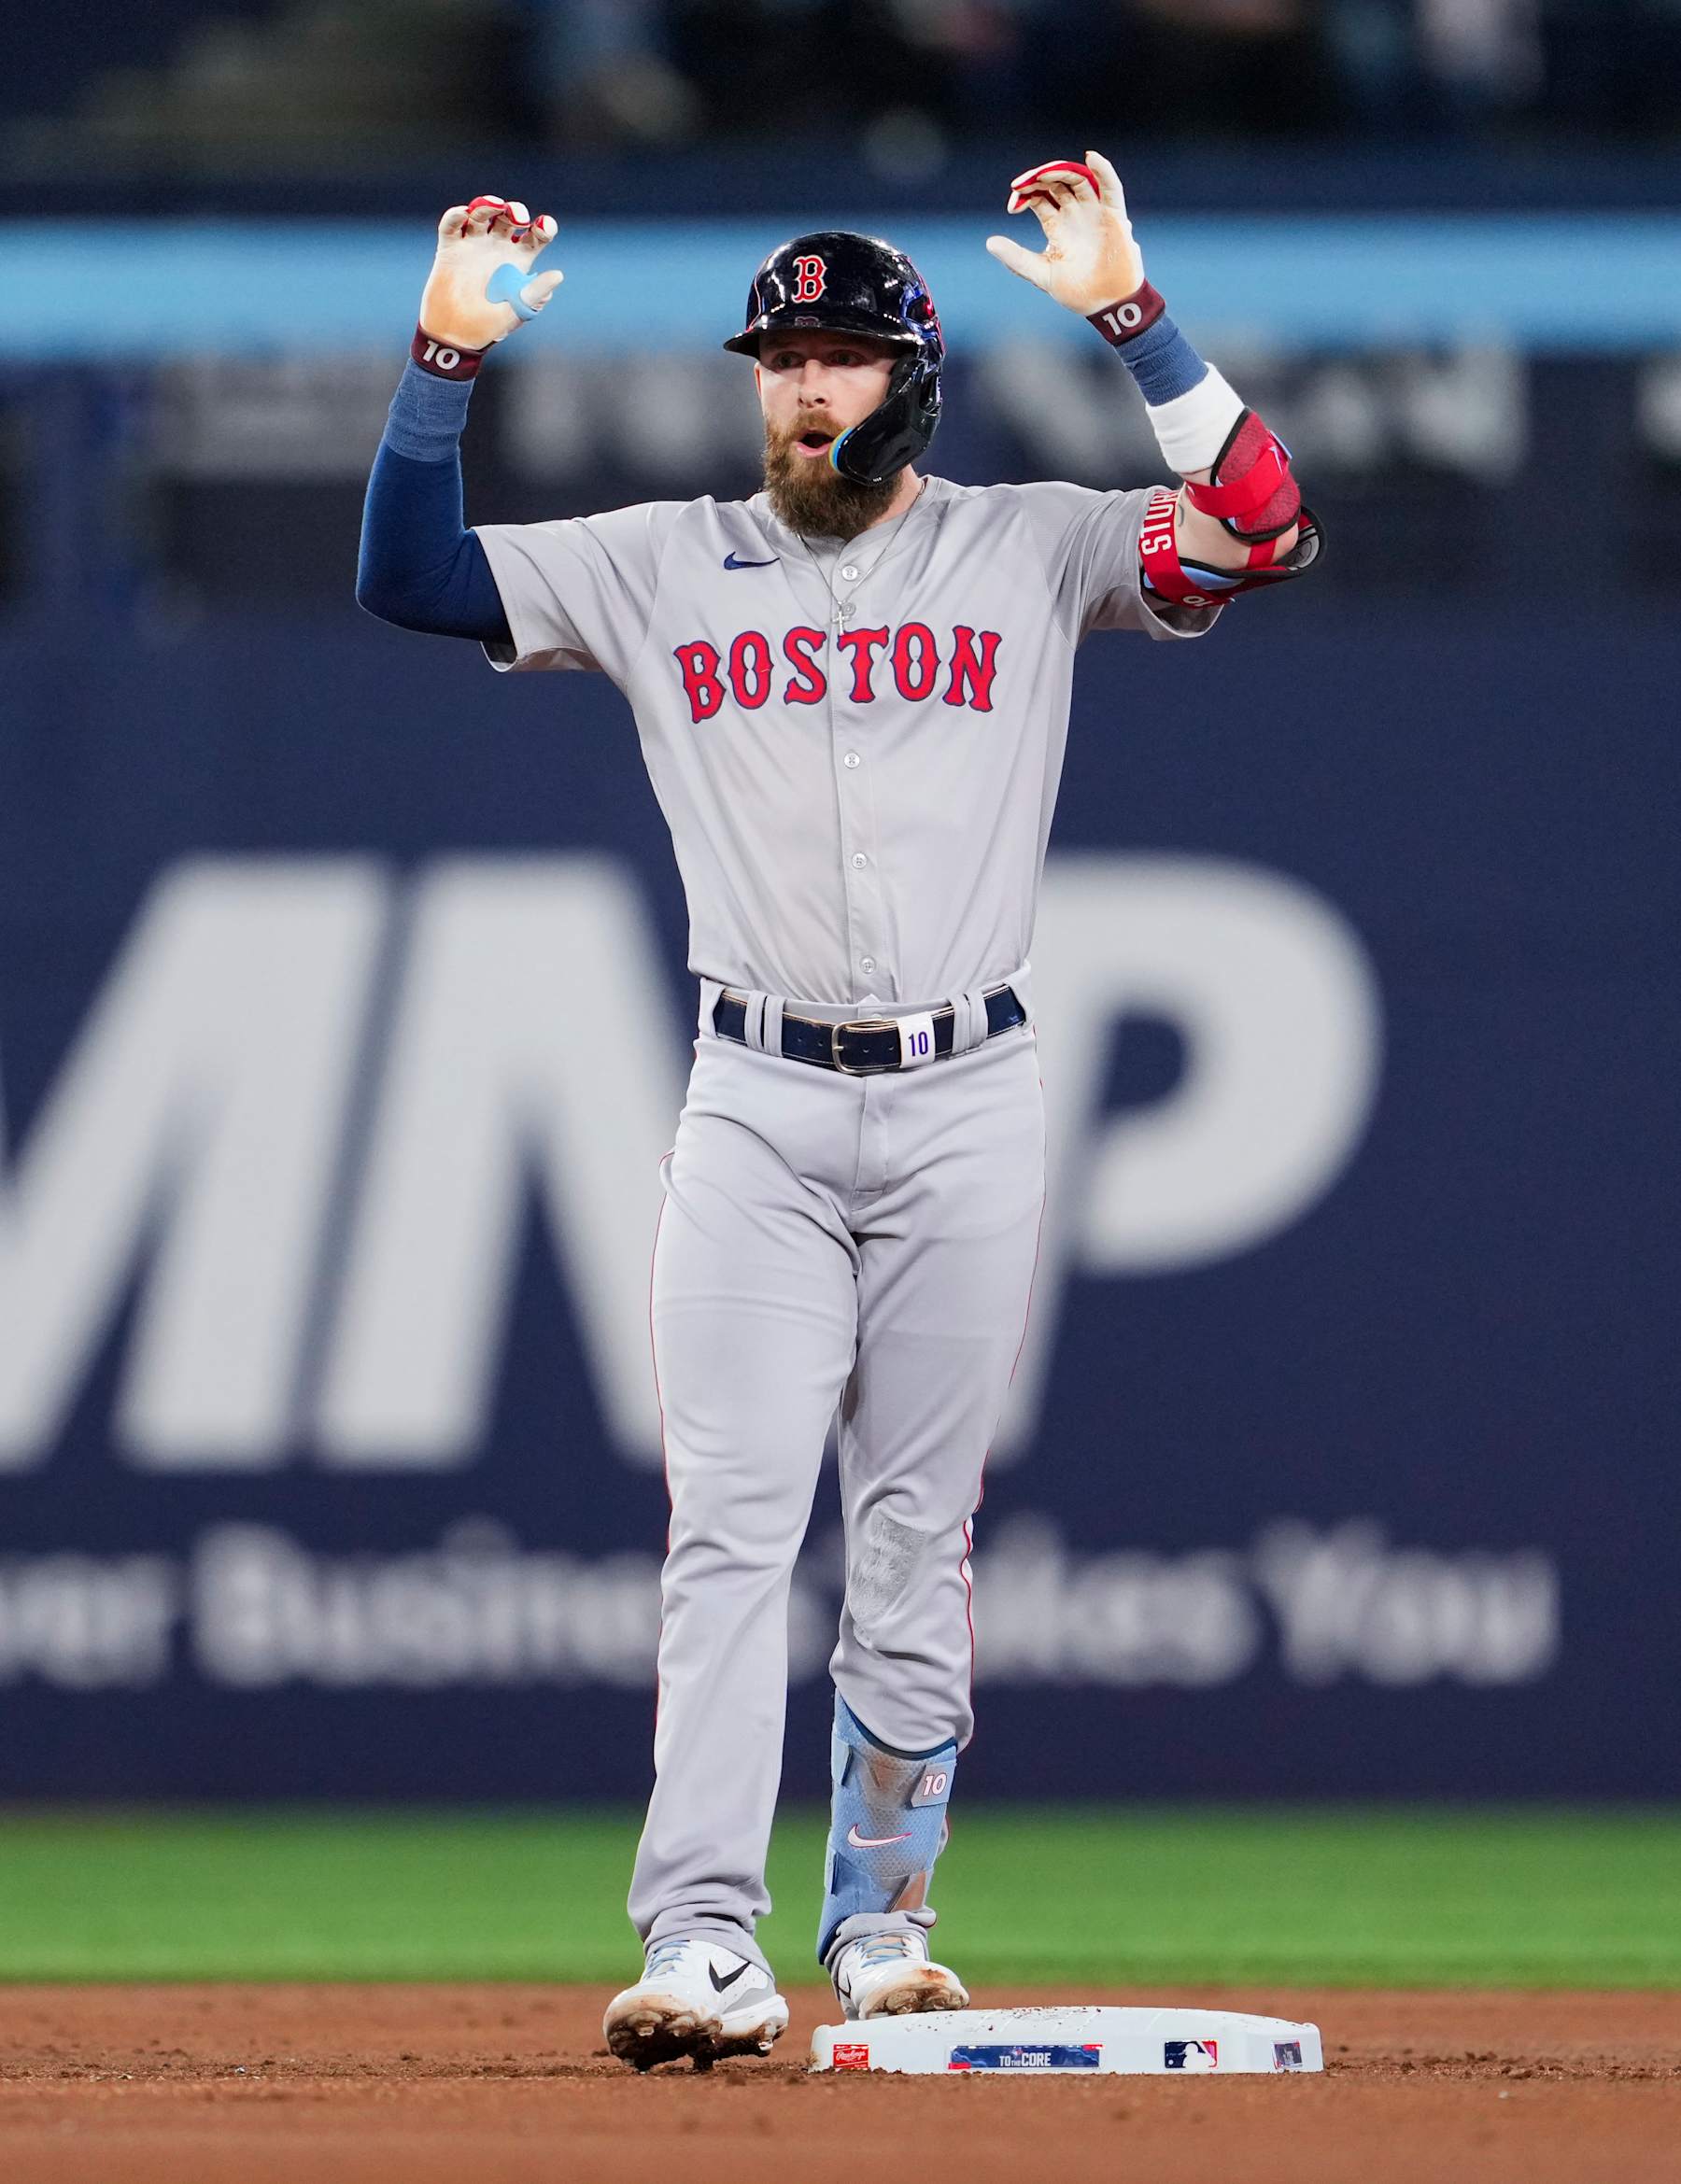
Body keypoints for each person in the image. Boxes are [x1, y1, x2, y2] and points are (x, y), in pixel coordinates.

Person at [356, 160, 1321, 2072]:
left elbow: (1263, 532)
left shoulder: (1030, 545)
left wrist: (1139, 315)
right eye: (780, 360)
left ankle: (885, 1919)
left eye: (840, 359)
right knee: (727, 1523)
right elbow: (412, 576)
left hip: (973, 1093)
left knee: (911, 1533)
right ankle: (702, 1935)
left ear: (915, 383)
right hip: (756, 1102)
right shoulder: (660, 560)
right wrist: (439, 365)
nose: (803, 390)